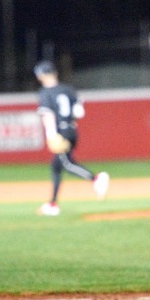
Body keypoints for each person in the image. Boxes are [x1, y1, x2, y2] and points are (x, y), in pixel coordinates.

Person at [34, 60, 109, 216]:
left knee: (67, 164)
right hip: (72, 130)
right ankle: (53, 204)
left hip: (60, 131)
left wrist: (51, 134)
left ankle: (96, 179)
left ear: (41, 76)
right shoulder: (68, 89)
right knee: (56, 167)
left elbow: (48, 114)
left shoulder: (45, 92)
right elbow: (79, 112)